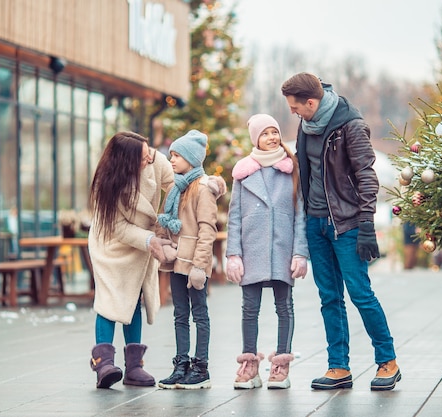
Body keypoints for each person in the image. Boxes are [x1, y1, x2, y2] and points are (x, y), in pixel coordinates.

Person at [281, 72, 401, 391]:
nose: (292, 112)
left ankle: (387, 361)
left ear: (311, 102)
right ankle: (338, 367)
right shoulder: (306, 124)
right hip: (315, 223)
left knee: (360, 293)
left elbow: (366, 176)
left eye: (295, 107)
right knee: (329, 297)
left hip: (346, 224)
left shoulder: (351, 125)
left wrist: (365, 225)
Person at [225, 114, 309, 390]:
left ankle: (280, 365)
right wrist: (233, 254)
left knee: (284, 307)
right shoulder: (243, 173)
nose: (272, 137)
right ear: (255, 139)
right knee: (250, 309)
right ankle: (250, 364)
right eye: (265, 133)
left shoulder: (290, 169)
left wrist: (300, 253)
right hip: (252, 251)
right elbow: (234, 216)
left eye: (275, 132)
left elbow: (300, 215)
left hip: (282, 250)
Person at [88, 131, 174, 389]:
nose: (150, 159)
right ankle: (103, 363)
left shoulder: (155, 160)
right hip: (111, 245)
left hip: (141, 242)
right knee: (110, 299)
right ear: (126, 161)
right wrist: (151, 241)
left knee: (134, 297)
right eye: (143, 157)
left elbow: (175, 185)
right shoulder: (108, 182)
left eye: (150, 154)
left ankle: (135, 367)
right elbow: (117, 227)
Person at [156, 130, 225, 390]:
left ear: (192, 158)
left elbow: (208, 230)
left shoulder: (203, 188)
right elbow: (164, 224)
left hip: (194, 263)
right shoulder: (175, 188)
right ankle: (181, 364)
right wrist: (162, 246)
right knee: (179, 314)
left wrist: (199, 266)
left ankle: (201, 367)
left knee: (200, 314)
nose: (172, 160)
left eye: (177, 155)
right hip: (176, 261)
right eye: (171, 154)